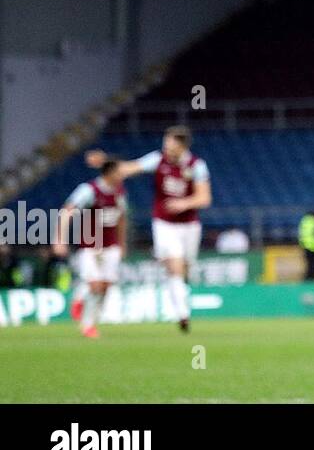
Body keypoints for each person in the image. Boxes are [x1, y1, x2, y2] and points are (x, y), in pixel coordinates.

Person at [85, 125, 211, 333]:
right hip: (164, 223)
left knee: (184, 268)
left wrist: (184, 204)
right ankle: (183, 314)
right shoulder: (157, 159)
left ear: (182, 146)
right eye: (165, 144)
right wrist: (105, 162)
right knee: (174, 265)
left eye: (170, 145)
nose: (166, 148)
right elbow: (129, 168)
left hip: (189, 225)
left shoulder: (196, 166)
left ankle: (180, 299)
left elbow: (204, 198)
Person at [53, 158, 128, 339]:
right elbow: (67, 211)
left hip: (111, 246)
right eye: (119, 172)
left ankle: (82, 301)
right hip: (90, 245)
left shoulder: (119, 192)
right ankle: (88, 325)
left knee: (106, 286)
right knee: (95, 285)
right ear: (109, 173)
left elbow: (121, 218)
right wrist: (59, 240)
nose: (122, 176)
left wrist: (122, 243)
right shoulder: (88, 190)